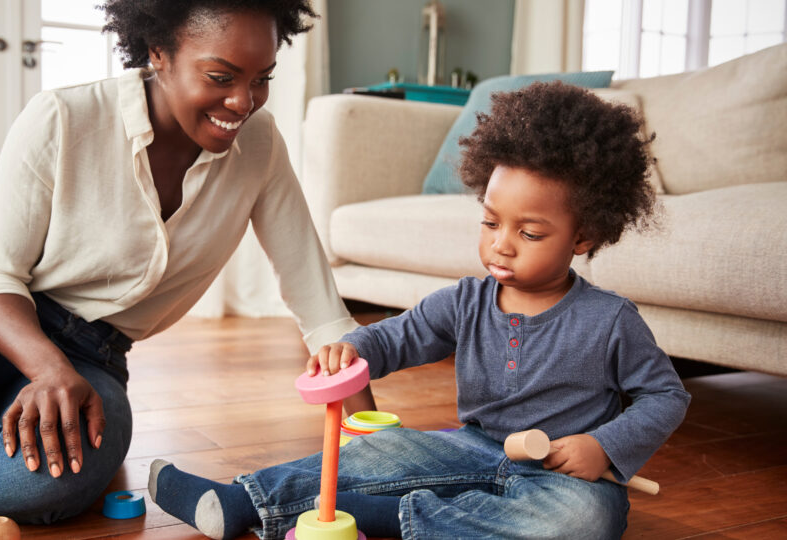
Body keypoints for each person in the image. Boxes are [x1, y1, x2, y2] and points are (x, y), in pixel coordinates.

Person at [0, 0, 374, 524]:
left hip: (96, 358)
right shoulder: (63, 117)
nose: (243, 102)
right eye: (220, 77)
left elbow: (324, 316)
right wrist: (45, 368)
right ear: (159, 51)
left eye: (262, 78)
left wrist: (379, 448)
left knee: (54, 477)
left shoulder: (260, 146)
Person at [147, 81, 693, 540]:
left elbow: (665, 395)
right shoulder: (467, 301)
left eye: (528, 232)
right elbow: (396, 338)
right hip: (469, 448)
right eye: (490, 222)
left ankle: (390, 517)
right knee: (380, 454)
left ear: (585, 234)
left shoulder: (611, 320)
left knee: (583, 520)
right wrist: (351, 347)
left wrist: (605, 447)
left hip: (563, 477)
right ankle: (244, 501)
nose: (502, 244)